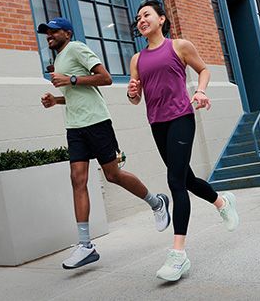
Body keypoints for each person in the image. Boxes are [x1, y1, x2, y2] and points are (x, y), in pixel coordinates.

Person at [37, 17, 170, 270]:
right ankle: (85, 245)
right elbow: (75, 95)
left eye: (54, 31)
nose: (49, 36)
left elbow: (106, 78)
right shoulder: (59, 60)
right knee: (78, 179)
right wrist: (56, 99)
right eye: (47, 33)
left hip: (96, 122)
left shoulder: (77, 49)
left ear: (68, 32)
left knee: (112, 175)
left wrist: (71, 80)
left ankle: (156, 202)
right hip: (75, 126)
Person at [127, 0, 239, 281]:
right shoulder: (137, 59)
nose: (141, 20)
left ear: (162, 19)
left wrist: (200, 91)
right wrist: (131, 92)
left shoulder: (179, 46)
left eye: (147, 15)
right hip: (157, 123)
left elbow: (204, 70)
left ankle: (178, 255)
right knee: (186, 179)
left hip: (180, 118)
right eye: (138, 17)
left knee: (175, 182)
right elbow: (136, 98)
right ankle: (222, 203)